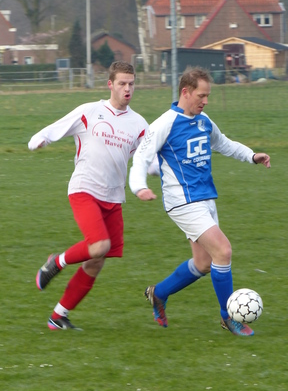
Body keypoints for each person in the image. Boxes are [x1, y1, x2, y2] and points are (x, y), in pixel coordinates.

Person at [129, 66, 271, 337]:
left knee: (205, 263)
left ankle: (158, 293)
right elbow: (141, 158)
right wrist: (138, 187)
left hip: (205, 199)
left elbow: (225, 143)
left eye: (207, 97)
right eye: (201, 96)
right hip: (182, 201)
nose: (205, 102)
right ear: (186, 92)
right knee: (224, 251)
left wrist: (251, 156)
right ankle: (228, 317)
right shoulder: (164, 124)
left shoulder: (204, 121)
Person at [29, 61, 149, 330]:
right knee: (99, 246)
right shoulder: (90, 111)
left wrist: (151, 176)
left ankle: (58, 316)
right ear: (110, 84)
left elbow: (146, 159)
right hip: (84, 189)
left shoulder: (140, 124)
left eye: (131, 83)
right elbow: (56, 127)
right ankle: (56, 262)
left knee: (96, 262)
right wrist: (40, 139)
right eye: (122, 83)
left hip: (114, 197)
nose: (127, 88)